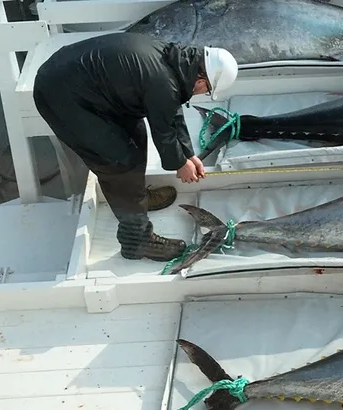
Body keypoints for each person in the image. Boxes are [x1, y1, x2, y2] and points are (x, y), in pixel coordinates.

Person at [33, 32, 238, 262]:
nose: (203, 94)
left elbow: (172, 111)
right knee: (119, 163)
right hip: (61, 96)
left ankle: (136, 199)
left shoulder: (175, 63)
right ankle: (138, 241)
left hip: (84, 86)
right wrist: (180, 164)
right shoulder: (163, 81)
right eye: (206, 91)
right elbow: (164, 131)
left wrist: (188, 154)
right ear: (202, 81)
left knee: (136, 136)